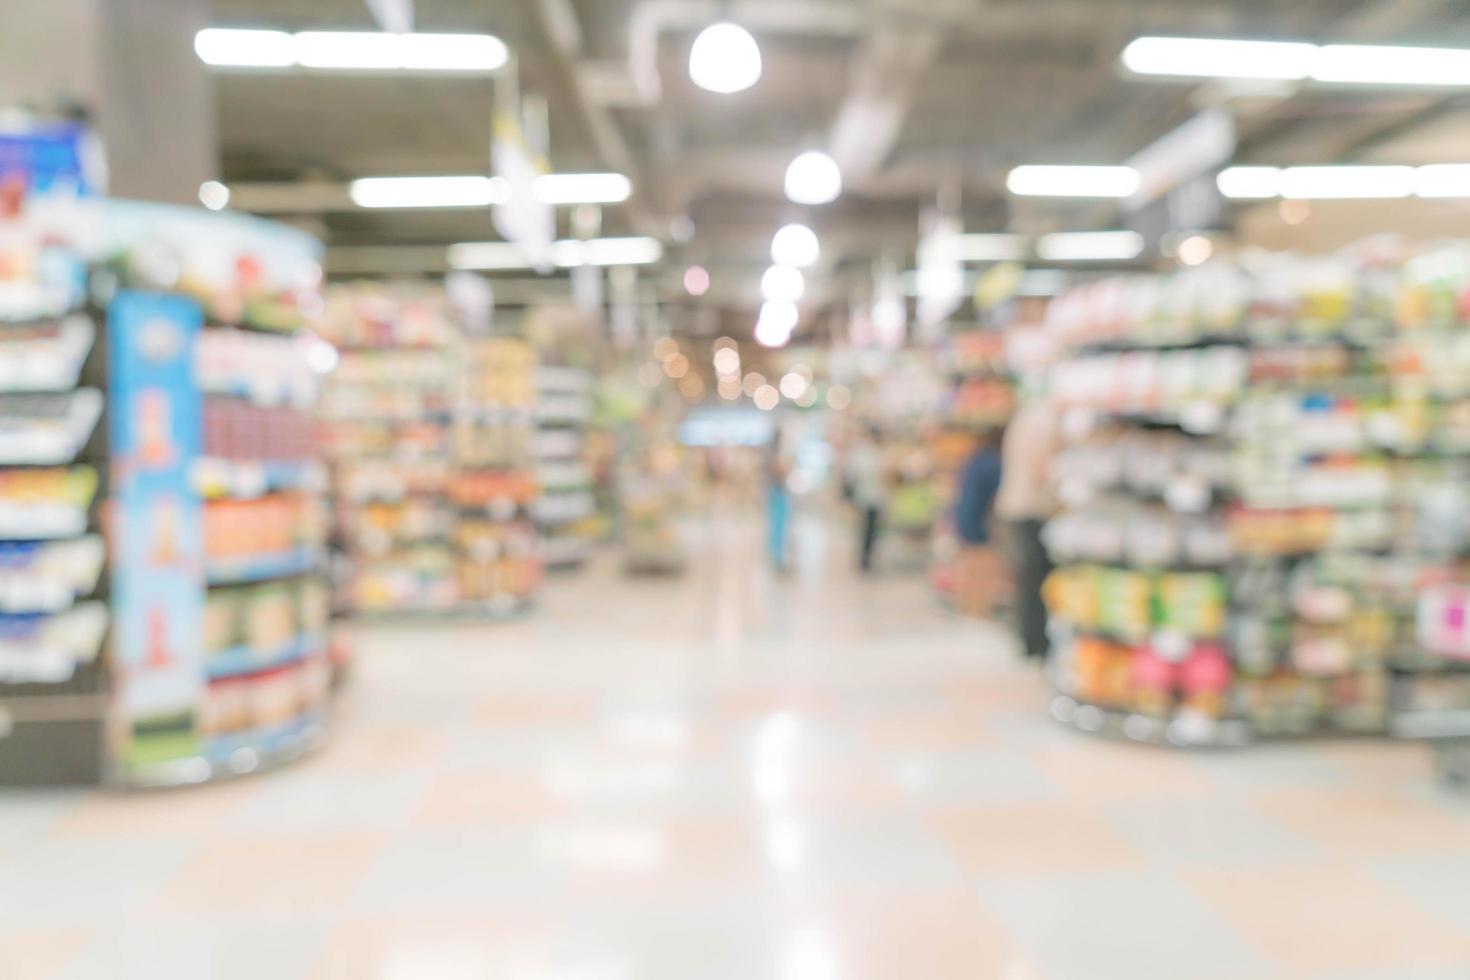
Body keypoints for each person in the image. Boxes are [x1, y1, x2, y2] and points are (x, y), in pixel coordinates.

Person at [996, 395, 1059, 659]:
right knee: (1036, 578)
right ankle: (1036, 641)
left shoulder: (1025, 417)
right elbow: (1041, 469)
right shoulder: (1045, 422)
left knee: (1026, 576)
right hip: (1034, 506)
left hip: (1017, 503)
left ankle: (1029, 639)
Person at [952, 427, 1005, 617]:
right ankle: (980, 608)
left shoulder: (975, 459)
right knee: (984, 564)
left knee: (967, 560)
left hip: (964, 513)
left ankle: (964, 604)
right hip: (979, 517)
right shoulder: (994, 463)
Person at [846, 426, 887, 573]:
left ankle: (867, 558)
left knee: (872, 530)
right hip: (866, 497)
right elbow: (857, 474)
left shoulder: (876, 452)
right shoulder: (865, 453)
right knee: (866, 530)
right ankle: (864, 559)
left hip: (875, 497)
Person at [764, 427, 791, 572]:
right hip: (777, 491)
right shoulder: (774, 455)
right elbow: (780, 470)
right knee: (778, 526)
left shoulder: (771, 454)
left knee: (777, 526)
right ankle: (777, 558)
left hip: (776, 491)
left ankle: (778, 556)